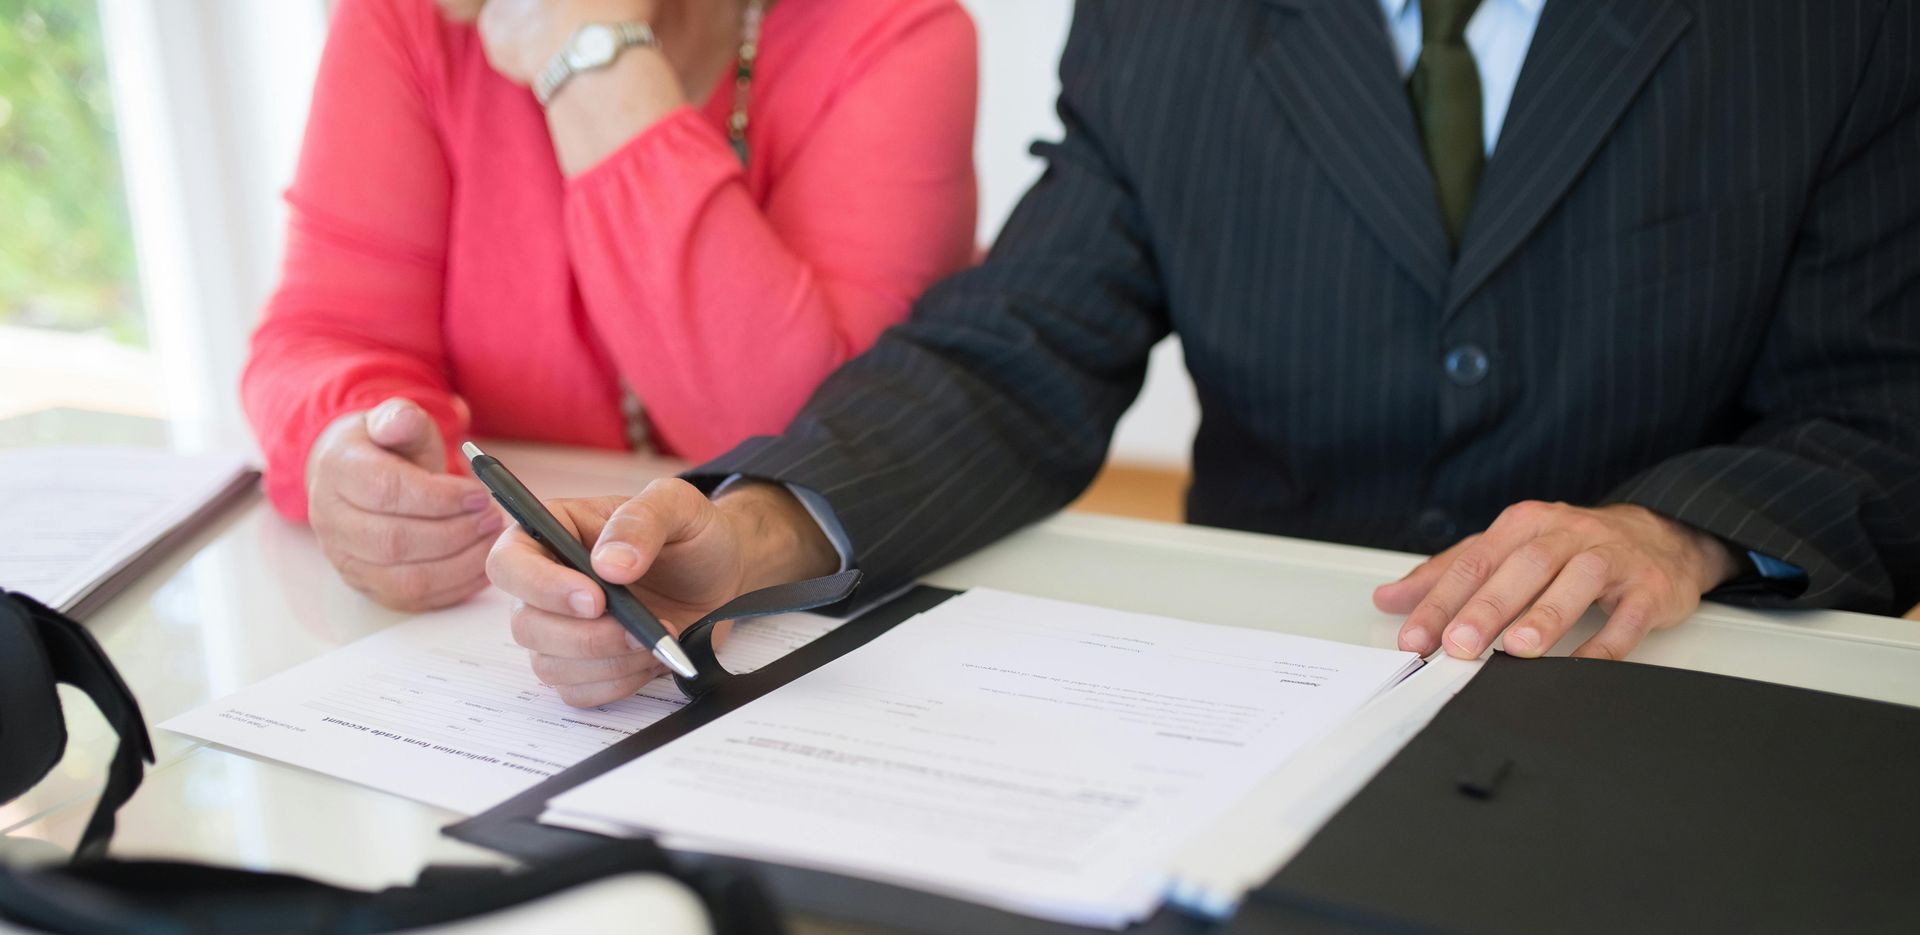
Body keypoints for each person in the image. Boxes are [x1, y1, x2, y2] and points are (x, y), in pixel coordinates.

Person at [489, 0, 1920, 708]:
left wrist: (1680, 532)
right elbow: (1016, 349)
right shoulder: (1166, 23)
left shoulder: (1834, 28)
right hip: (1263, 703)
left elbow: (1884, 409)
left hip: (1670, 689)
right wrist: (746, 534)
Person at [244, 0, 977, 610]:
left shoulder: (894, 31)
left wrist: (592, 60)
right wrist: (349, 446)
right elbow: (325, 335)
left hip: (796, 625)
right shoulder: (409, 19)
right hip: (502, 629)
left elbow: (813, 445)